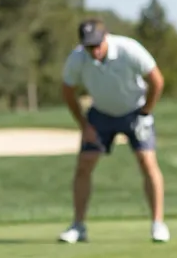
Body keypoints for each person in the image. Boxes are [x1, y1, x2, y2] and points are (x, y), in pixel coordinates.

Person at [58, 19, 169, 243]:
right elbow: (68, 90)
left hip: (135, 110)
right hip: (100, 114)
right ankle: (78, 226)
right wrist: (84, 125)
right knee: (84, 165)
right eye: (89, 47)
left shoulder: (129, 49)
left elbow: (157, 81)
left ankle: (158, 224)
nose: (95, 51)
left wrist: (146, 114)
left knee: (147, 161)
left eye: (97, 45)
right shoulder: (78, 58)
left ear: (106, 37)